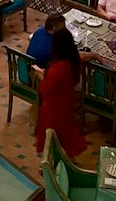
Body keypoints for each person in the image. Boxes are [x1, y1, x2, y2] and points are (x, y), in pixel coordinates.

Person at [34, 28, 87, 158]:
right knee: (65, 136)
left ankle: (47, 165)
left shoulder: (57, 68)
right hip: (66, 104)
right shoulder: (72, 61)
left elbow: (46, 90)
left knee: (49, 140)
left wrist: (41, 77)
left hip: (53, 108)